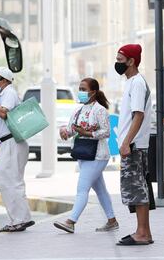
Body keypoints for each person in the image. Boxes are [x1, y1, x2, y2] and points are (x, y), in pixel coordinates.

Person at [53, 78, 118, 234]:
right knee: (100, 190)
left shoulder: (100, 110)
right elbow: (71, 130)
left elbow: (106, 132)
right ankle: (112, 221)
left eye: (83, 89)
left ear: (93, 92)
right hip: (83, 154)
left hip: (97, 155)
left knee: (82, 189)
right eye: (79, 89)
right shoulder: (78, 110)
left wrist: (87, 133)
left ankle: (71, 222)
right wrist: (65, 132)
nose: (80, 92)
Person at [0, 67, 35, 232]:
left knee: (10, 182)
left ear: (5, 80)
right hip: (8, 143)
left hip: (12, 143)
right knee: (11, 181)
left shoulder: (8, 93)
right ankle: (19, 218)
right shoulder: (5, 93)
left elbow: (3, 113)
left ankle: (19, 219)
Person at [115, 44, 153, 246]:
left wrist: (127, 143)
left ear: (131, 61)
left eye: (120, 60)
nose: (117, 64)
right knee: (138, 188)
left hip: (134, 145)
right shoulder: (131, 82)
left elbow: (138, 115)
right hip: (134, 144)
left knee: (137, 189)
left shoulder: (137, 83)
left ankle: (142, 233)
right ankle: (143, 231)